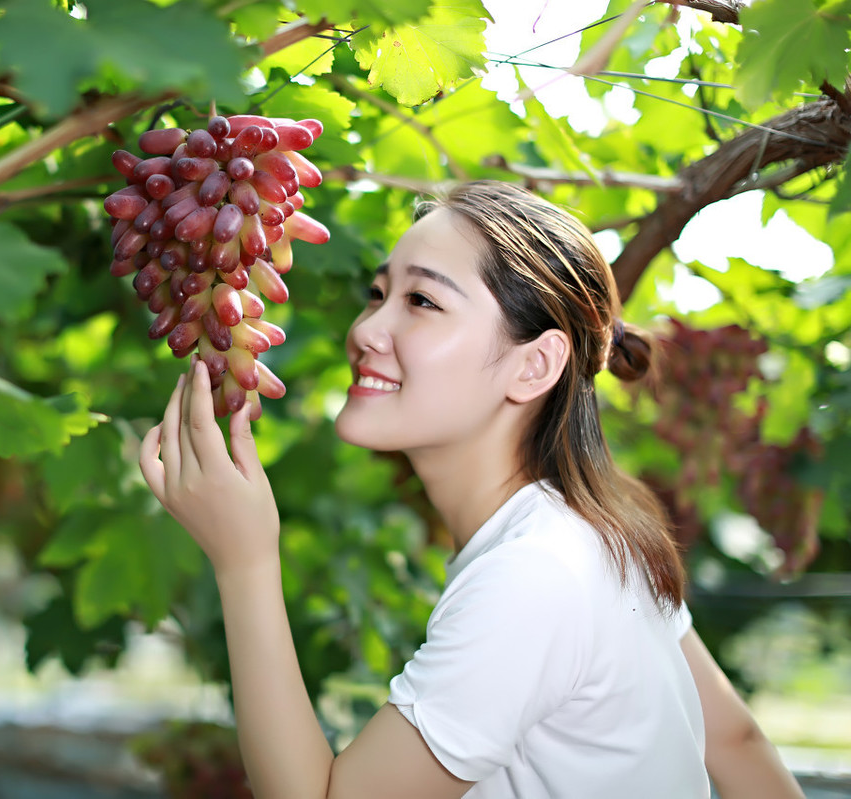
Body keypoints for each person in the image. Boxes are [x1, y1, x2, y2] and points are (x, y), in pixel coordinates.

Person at [138, 180, 804, 799]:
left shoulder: (533, 574)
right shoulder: (593, 534)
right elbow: (733, 739)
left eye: (422, 301)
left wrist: (245, 561)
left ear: (534, 364)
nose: (366, 331)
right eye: (378, 294)